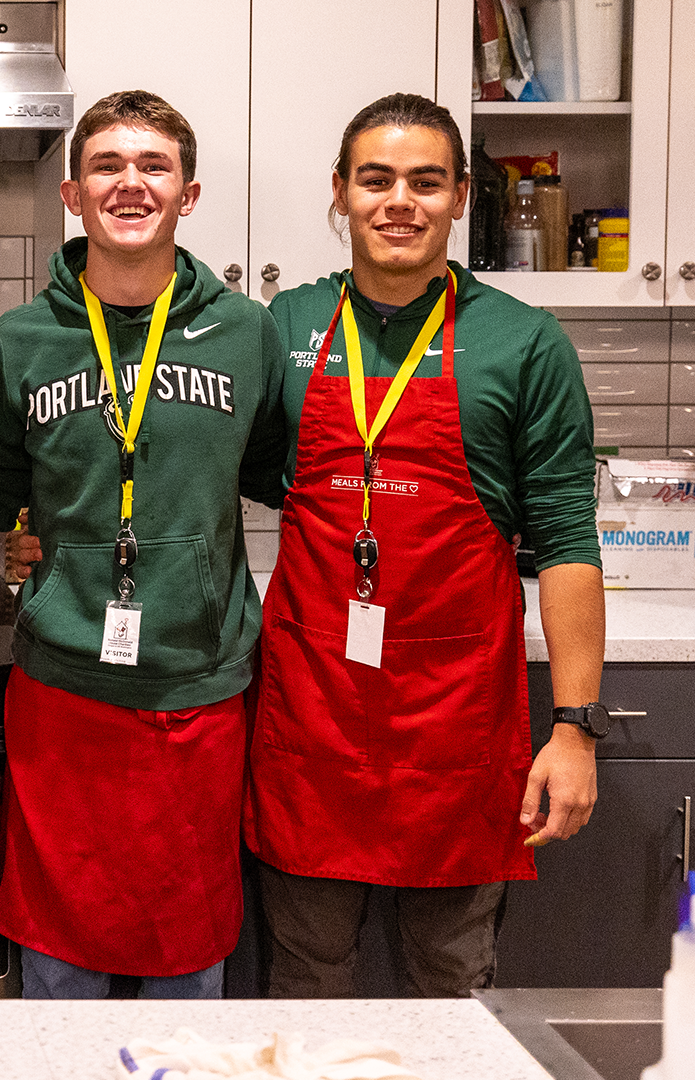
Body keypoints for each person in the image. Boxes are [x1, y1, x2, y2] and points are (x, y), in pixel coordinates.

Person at [245, 92, 602, 998]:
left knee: (453, 990)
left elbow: (566, 538)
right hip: (314, 719)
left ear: (460, 196)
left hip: (455, 726)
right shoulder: (284, 327)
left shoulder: (523, 342)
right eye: (376, 180)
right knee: (306, 983)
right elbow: (223, 465)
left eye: (425, 181)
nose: (399, 201)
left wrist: (574, 728)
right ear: (340, 191)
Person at [0, 90, 286, 999]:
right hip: (63, 691)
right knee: (58, 962)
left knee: (188, 964)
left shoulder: (247, 332)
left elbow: (275, 470)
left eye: (154, 166)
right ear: (72, 194)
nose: (130, 183)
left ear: (189, 195)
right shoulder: (22, 338)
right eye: (106, 165)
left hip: (198, 689)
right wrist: (21, 543)